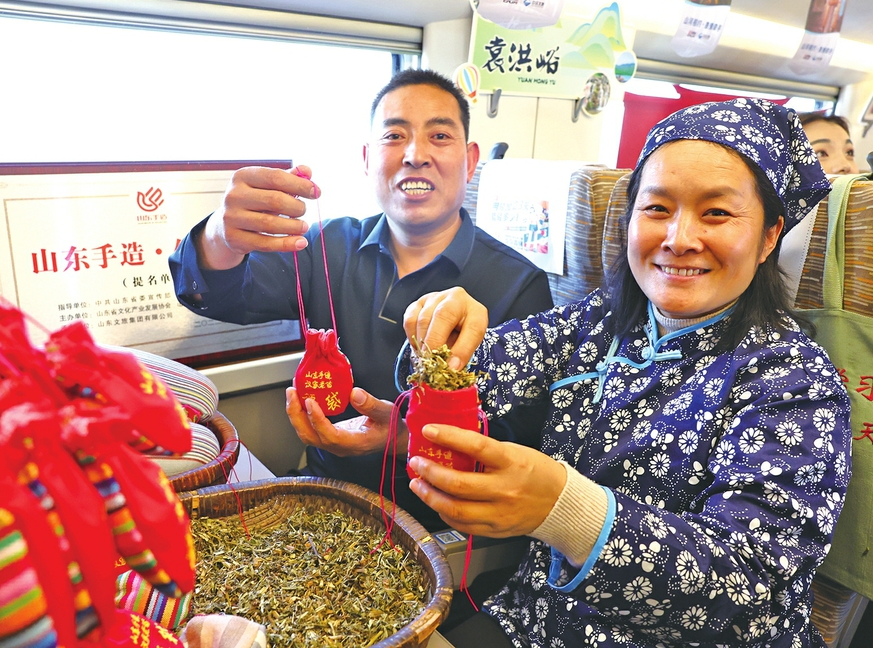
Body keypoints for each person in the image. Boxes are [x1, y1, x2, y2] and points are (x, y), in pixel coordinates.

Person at [398, 98, 851, 646]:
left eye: (716, 213)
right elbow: (484, 368)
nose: (679, 238)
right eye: (657, 208)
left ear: (770, 236)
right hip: (539, 619)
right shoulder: (601, 318)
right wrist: (439, 342)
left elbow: (748, 582)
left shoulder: (797, 382)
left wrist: (564, 510)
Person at [168, 68, 553, 530]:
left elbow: (524, 442)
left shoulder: (519, 283)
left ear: (470, 161)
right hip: (324, 498)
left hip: (440, 524)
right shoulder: (329, 246)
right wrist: (221, 237)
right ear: (368, 159)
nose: (415, 155)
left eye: (439, 135)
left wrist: (404, 436)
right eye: (395, 135)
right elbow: (218, 294)